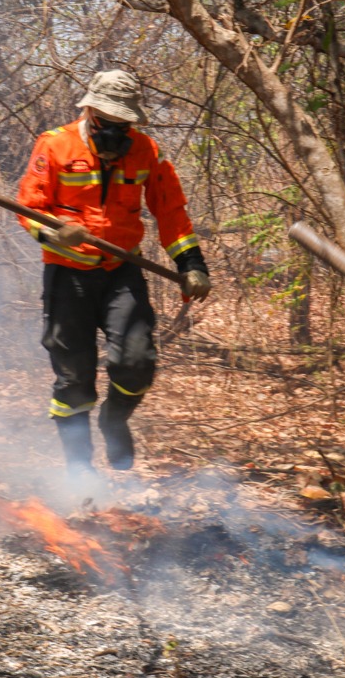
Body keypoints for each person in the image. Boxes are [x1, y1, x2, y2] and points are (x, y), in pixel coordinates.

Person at [17, 70, 211, 476]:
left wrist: (191, 264)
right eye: (108, 122)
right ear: (89, 111)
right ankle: (79, 468)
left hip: (120, 270)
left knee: (137, 362)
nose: (116, 133)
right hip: (67, 275)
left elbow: (171, 210)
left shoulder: (146, 151)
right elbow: (29, 208)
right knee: (74, 379)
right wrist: (55, 232)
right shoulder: (54, 145)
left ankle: (115, 420)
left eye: (124, 125)